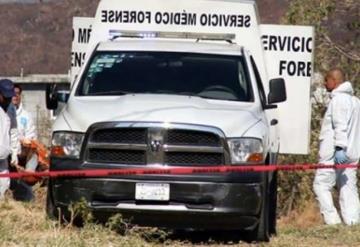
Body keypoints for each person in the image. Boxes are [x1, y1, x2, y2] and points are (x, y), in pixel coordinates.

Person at [313, 68, 360, 225]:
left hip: (335, 154)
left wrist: (339, 148)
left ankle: (333, 221)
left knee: (321, 185)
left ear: (335, 81)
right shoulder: (355, 101)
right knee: (348, 187)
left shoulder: (338, 100)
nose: (325, 83)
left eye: (327, 80)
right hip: (352, 153)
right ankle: (353, 221)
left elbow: (341, 126)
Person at [0, 79, 15, 199]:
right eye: (5, 97)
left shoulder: (11, 109)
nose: (8, 100)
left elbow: (13, 130)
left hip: (3, 157)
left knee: (4, 184)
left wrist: (14, 152)